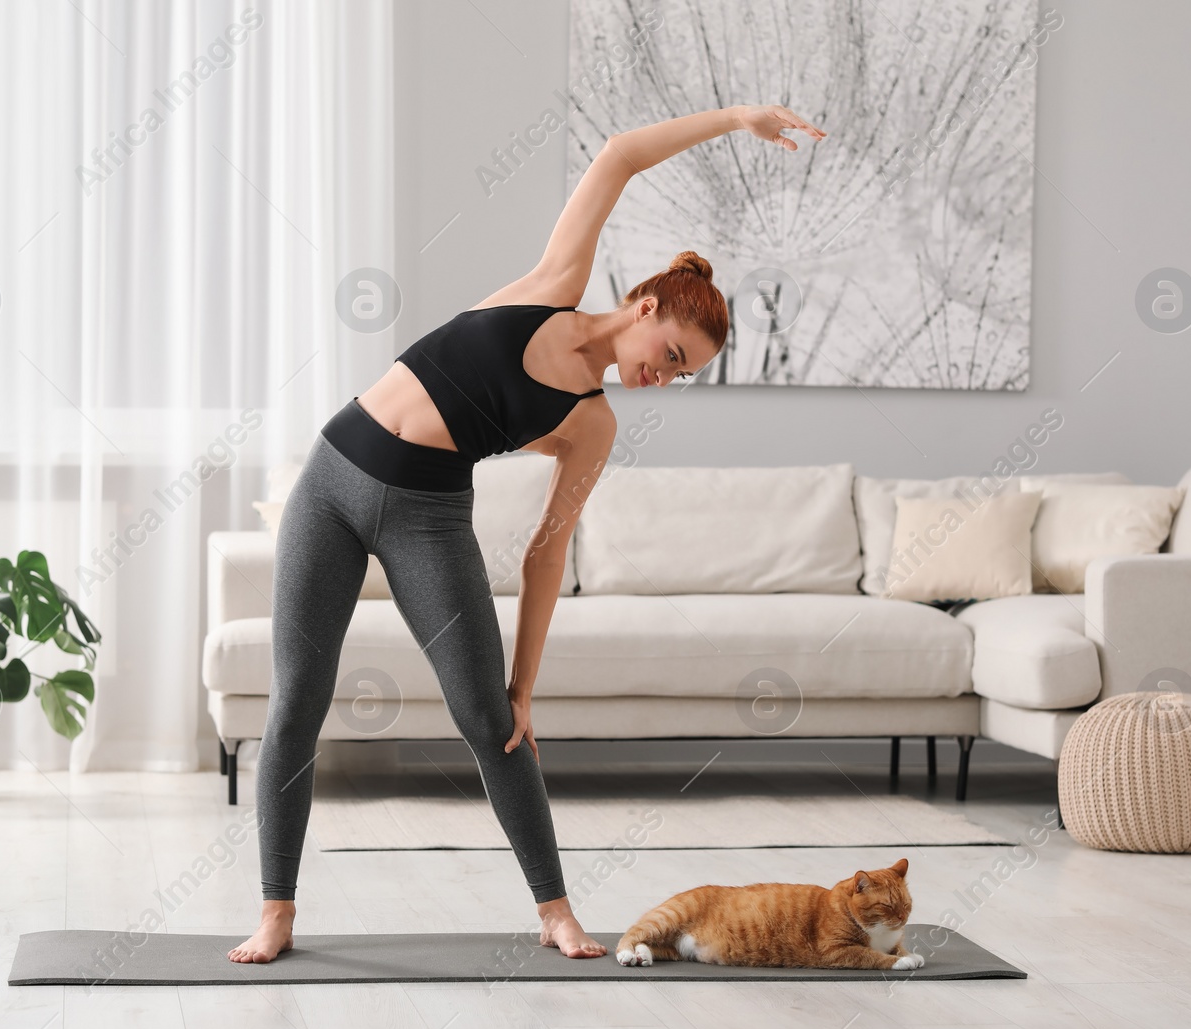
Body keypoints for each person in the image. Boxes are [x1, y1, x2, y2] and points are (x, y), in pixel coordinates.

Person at [229, 104, 828, 963]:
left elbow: (548, 551)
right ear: (646, 303)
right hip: (331, 478)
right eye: (670, 351)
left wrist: (525, 683)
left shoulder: (592, 425)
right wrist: (739, 119)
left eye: (683, 373)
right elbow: (619, 156)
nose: (665, 376)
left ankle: (555, 912)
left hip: (428, 514)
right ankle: (277, 911)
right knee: (297, 703)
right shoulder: (553, 283)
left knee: (491, 719)